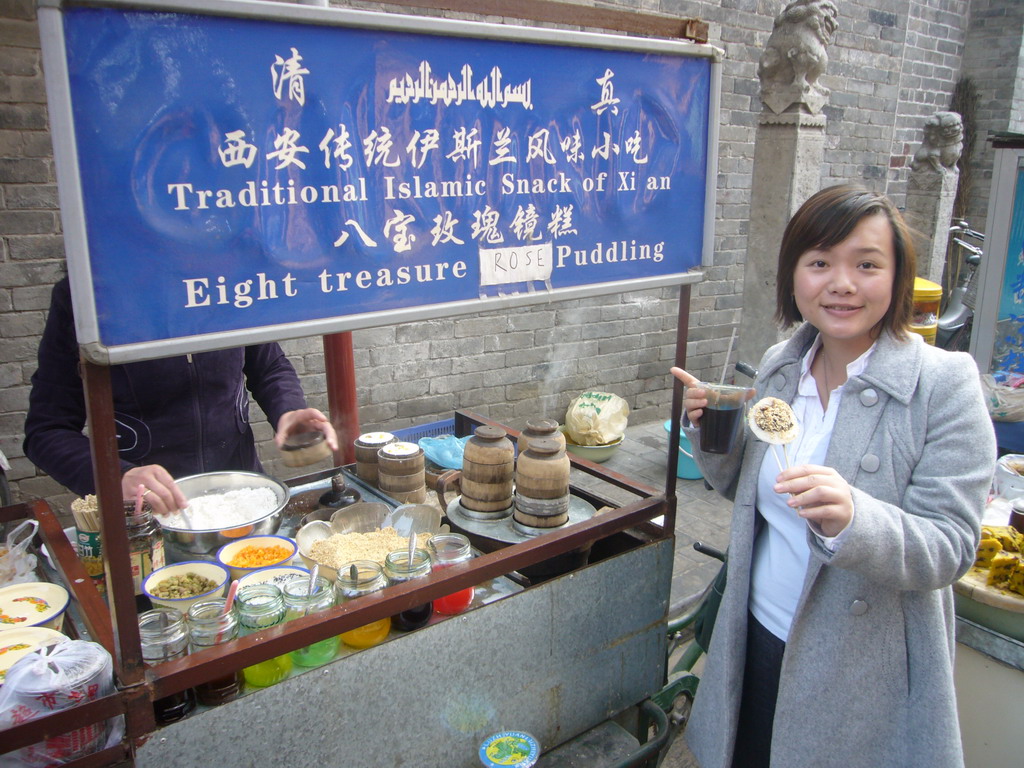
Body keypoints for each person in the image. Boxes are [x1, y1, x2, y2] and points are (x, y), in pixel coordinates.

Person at [670, 184, 995, 768]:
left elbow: (950, 547)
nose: (842, 283)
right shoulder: (780, 364)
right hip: (756, 635)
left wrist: (854, 519)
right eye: (819, 262)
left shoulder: (943, 386)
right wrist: (710, 431)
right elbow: (748, 494)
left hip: (858, 671)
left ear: (896, 277)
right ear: (794, 276)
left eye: (867, 265)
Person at [24, 276, 339, 516]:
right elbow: (47, 430)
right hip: (148, 514)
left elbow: (268, 365)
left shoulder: (228, 279)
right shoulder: (88, 294)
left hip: (243, 494)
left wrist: (288, 409)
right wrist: (115, 476)